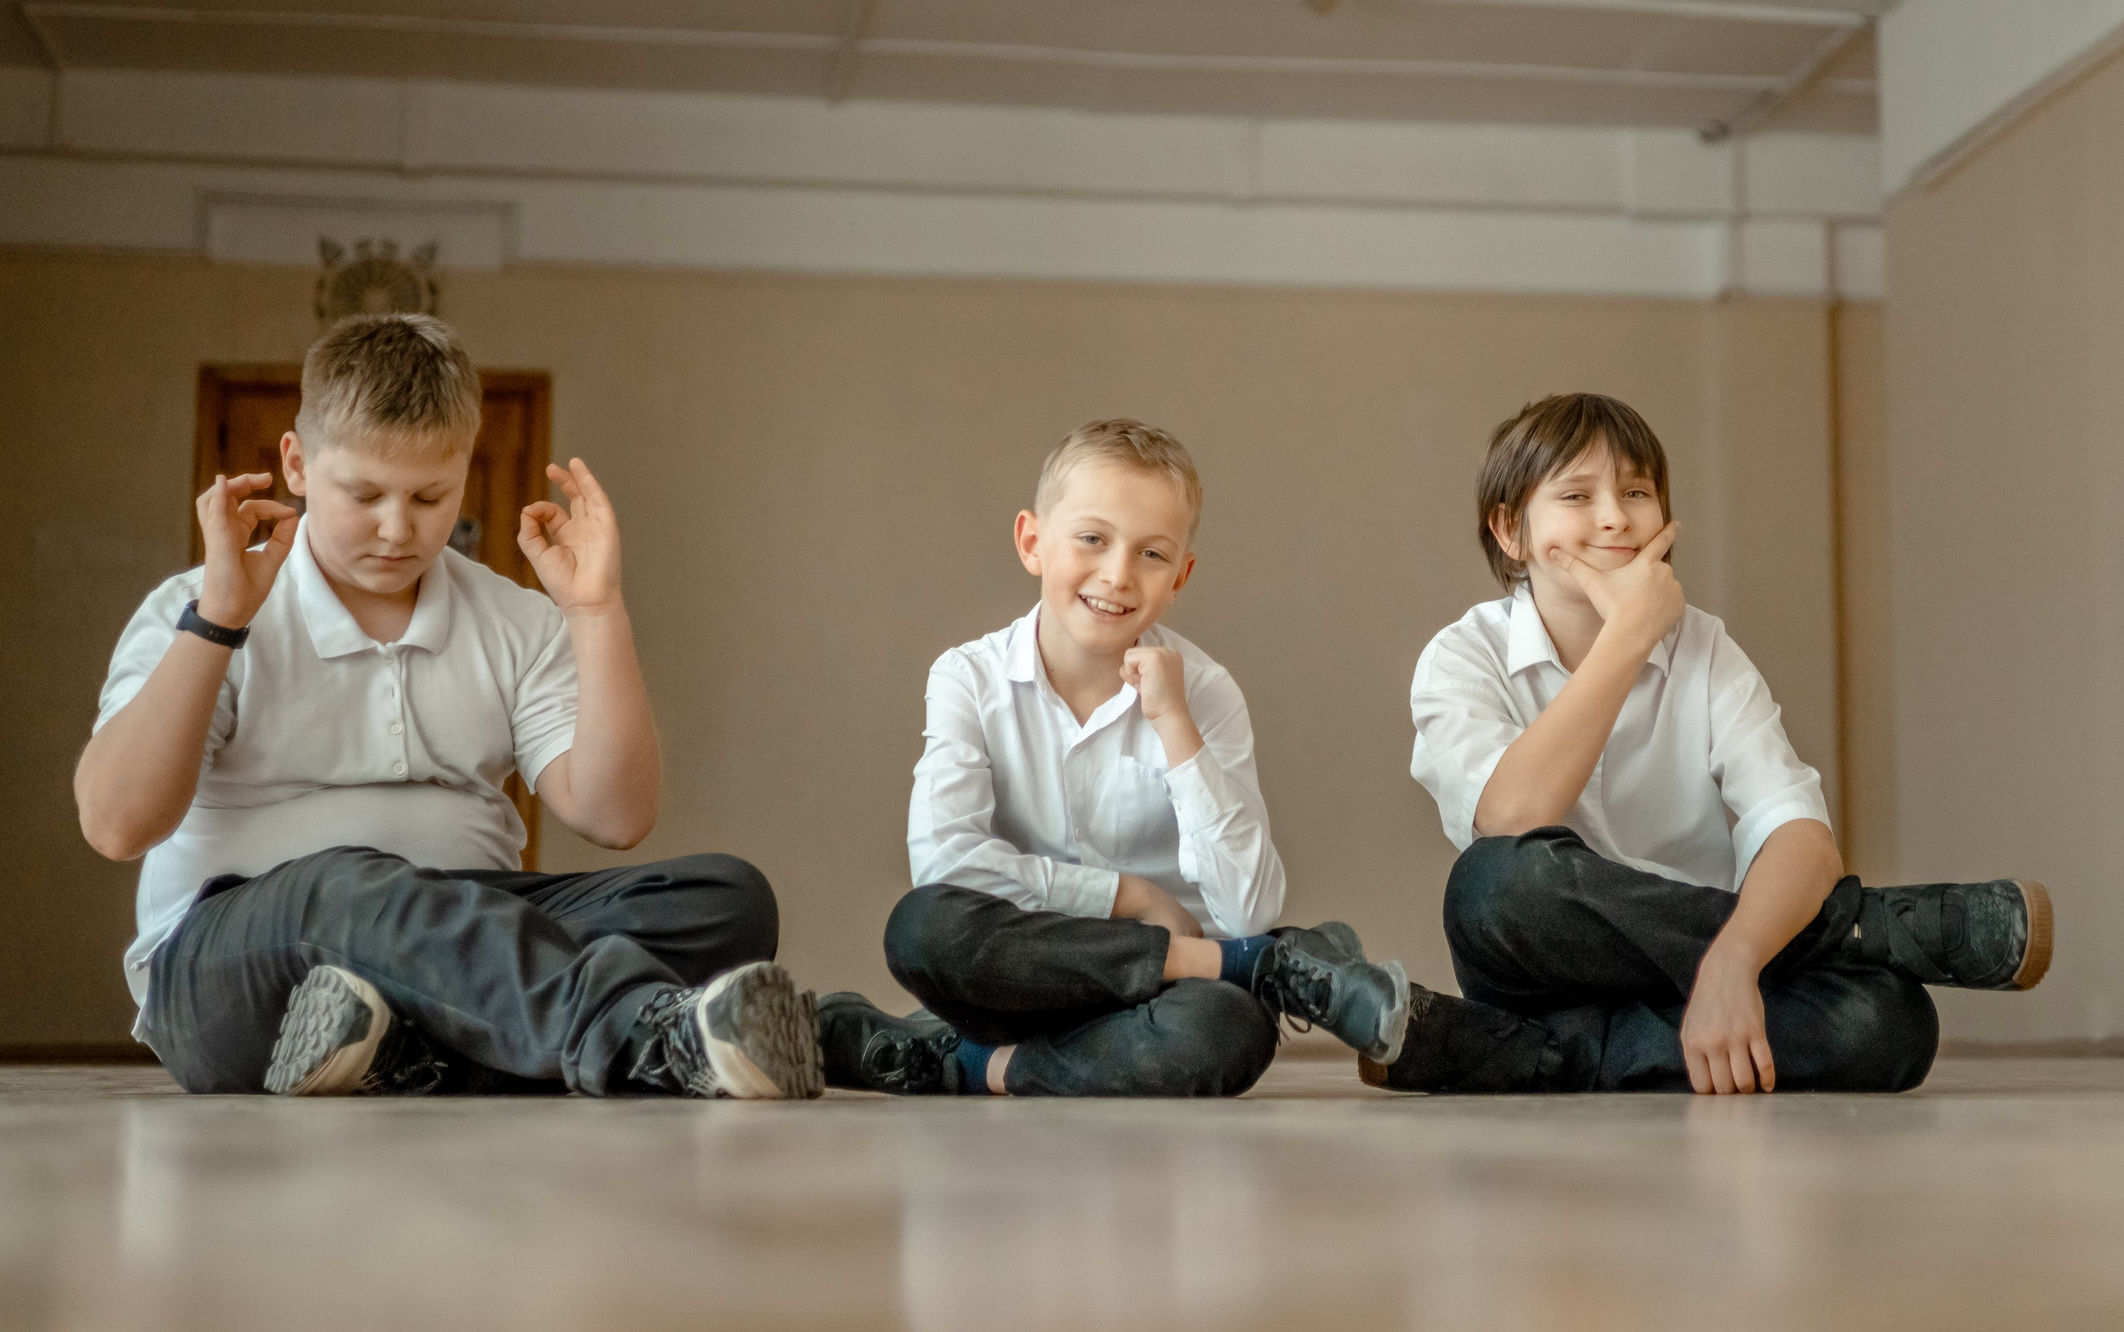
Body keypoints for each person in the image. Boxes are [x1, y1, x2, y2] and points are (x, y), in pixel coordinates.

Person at [76, 313, 821, 1100]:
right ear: (296, 463)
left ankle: (396, 1051)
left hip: (468, 933)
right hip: (234, 965)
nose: (398, 529)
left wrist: (596, 614)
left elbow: (615, 816)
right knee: (347, 887)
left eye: (430, 496)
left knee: (722, 900)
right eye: (364, 494)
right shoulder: (193, 607)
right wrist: (218, 622)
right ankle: (647, 1032)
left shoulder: (513, 619)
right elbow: (117, 824)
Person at [1375, 392, 2051, 1096]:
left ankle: (1536, 1055)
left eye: (1636, 490)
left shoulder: (1707, 650)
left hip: (1710, 966)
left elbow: (1801, 837)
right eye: (1576, 494)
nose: (1614, 516)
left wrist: (1732, 961)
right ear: (1510, 528)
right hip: (1537, 968)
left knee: (1890, 1022)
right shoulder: (1460, 657)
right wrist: (1630, 634)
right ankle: (1862, 927)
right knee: (1490, 886)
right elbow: (1513, 814)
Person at [815, 418, 1409, 1097]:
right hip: (1027, 976)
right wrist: (1130, 896)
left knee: (1226, 1033)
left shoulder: (1206, 693)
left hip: (1159, 998)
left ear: (1180, 575)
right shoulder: (967, 678)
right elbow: (945, 864)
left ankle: (967, 1061)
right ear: (1033, 542)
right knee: (920, 929)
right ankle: (1257, 966)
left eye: (1152, 554)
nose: (1118, 574)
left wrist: (1173, 721)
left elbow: (1248, 905)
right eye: (1092, 539)